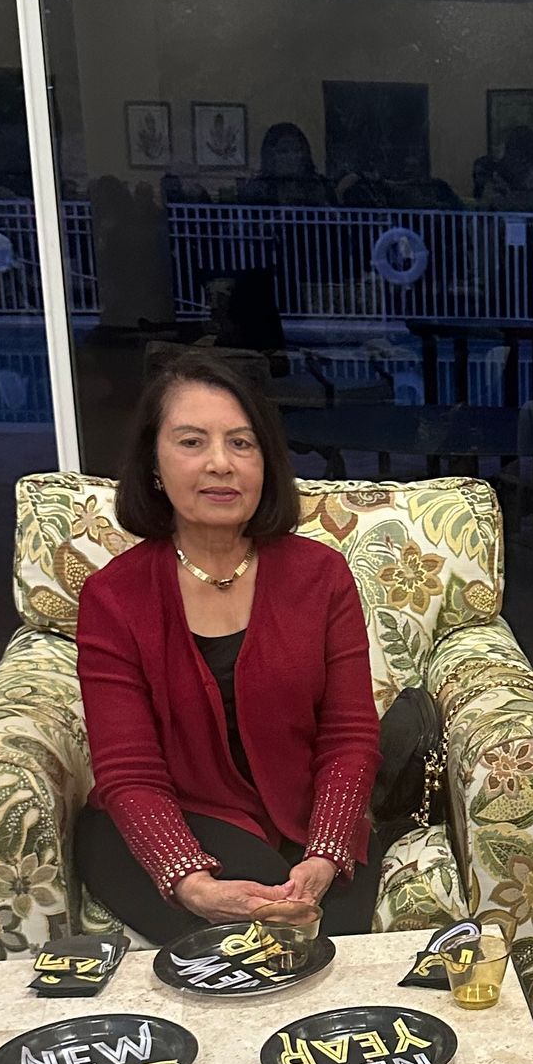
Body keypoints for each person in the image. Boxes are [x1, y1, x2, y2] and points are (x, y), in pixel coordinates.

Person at [74, 350, 383, 944]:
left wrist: (324, 854)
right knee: (255, 943)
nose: (221, 463)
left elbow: (350, 734)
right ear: (155, 464)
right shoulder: (114, 597)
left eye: (242, 444)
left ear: (265, 463)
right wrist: (190, 883)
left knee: (317, 943)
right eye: (192, 442)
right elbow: (128, 768)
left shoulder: (322, 576)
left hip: (307, 822)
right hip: (175, 819)